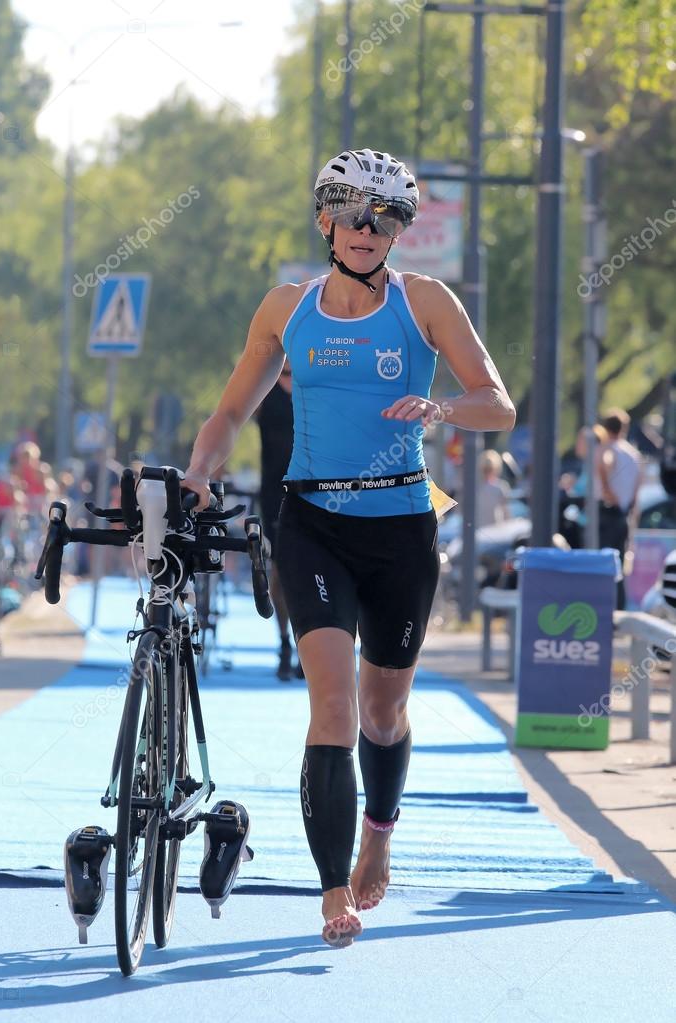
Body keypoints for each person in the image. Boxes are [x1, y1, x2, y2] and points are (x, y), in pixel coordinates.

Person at [183, 147, 515, 948]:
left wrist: (440, 411)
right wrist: (199, 470)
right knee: (330, 702)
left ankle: (379, 829)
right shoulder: (286, 309)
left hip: (401, 527)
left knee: (383, 708)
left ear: (399, 230)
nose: (368, 231)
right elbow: (230, 413)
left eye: (387, 218)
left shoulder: (426, 301)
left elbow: (496, 404)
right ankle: (334, 889)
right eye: (354, 216)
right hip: (314, 525)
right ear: (326, 220)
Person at [256, 360, 303, 681]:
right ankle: (285, 642)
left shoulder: (311, 386)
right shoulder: (265, 389)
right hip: (274, 493)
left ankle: (307, 646)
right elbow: (231, 416)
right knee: (279, 573)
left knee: (307, 573)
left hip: (313, 491)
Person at [598, 408, 641, 609]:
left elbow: (604, 463)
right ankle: (618, 609)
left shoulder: (609, 449)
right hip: (624, 514)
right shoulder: (634, 454)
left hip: (607, 512)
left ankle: (602, 608)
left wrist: (606, 488)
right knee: (619, 567)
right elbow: (637, 489)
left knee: (600, 564)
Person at [476, 449, 511, 528]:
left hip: (487, 530)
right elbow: (506, 513)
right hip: (494, 531)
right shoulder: (501, 487)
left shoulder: (476, 488)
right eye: (486, 469)